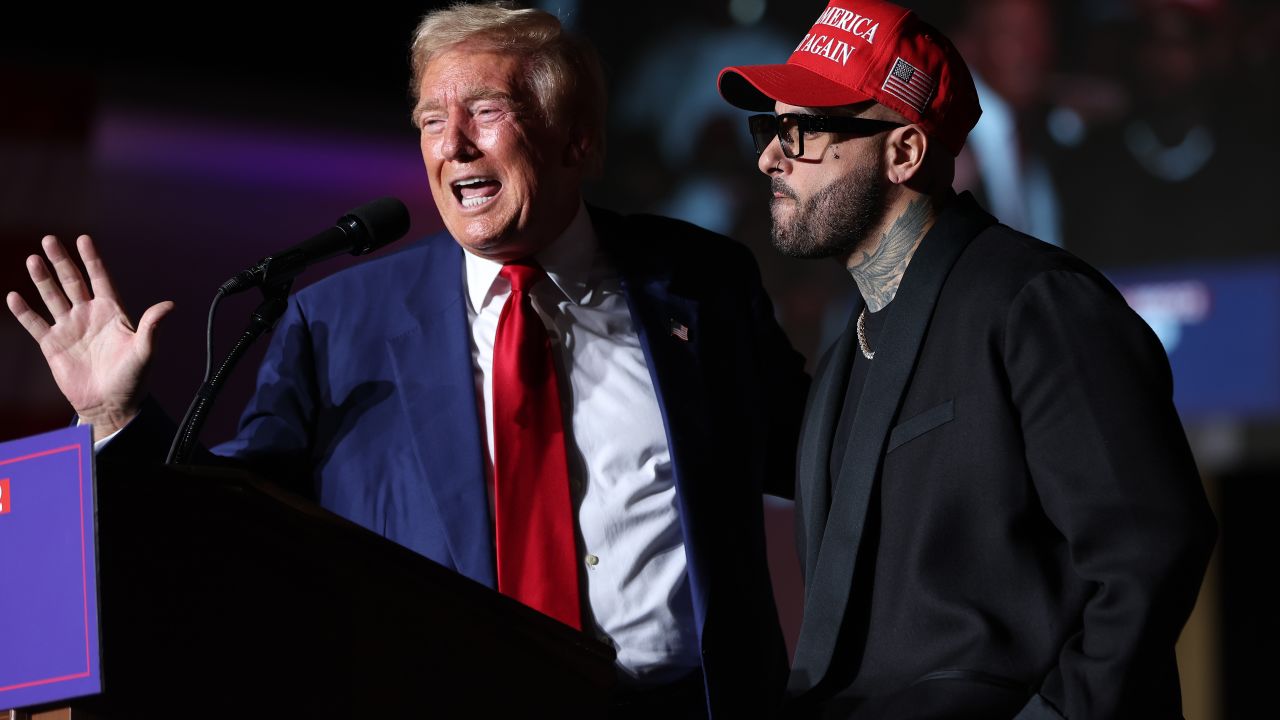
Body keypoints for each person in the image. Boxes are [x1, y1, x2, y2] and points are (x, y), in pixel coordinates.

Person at [7, 4, 808, 717]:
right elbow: (237, 519)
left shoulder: (698, 283)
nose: (452, 144)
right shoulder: (338, 319)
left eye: (487, 111)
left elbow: (815, 455)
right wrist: (114, 418)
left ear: (579, 138)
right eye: (431, 121)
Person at [716, 1, 1217, 718]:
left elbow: (1151, 548)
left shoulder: (1036, 305)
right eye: (769, 127)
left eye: (802, 129)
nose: (770, 154)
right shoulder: (843, 355)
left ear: (904, 153)